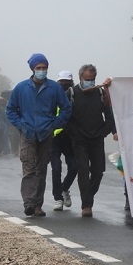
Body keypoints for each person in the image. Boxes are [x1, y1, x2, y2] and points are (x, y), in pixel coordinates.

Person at [6, 53, 72, 217]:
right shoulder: (21, 88)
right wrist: (20, 125)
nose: (42, 71)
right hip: (27, 133)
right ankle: (29, 202)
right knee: (29, 168)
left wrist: (55, 124)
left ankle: (37, 206)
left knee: (41, 170)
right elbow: (10, 110)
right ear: (33, 69)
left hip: (46, 134)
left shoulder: (54, 88)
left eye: (44, 68)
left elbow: (66, 108)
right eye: (38, 68)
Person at [68, 64, 116, 217]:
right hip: (79, 140)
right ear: (80, 77)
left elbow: (109, 116)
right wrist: (74, 133)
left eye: (92, 79)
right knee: (83, 171)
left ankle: (88, 196)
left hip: (97, 138)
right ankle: (86, 205)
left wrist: (104, 132)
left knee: (98, 171)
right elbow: (64, 116)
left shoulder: (101, 93)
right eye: (86, 79)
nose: (89, 82)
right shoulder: (71, 93)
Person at [51, 71, 78, 211]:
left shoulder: (74, 96)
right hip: (54, 137)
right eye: (61, 81)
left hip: (70, 137)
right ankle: (58, 198)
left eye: (67, 82)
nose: (64, 84)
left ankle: (64, 188)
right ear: (57, 82)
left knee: (74, 168)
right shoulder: (52, 95)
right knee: (56, 168)